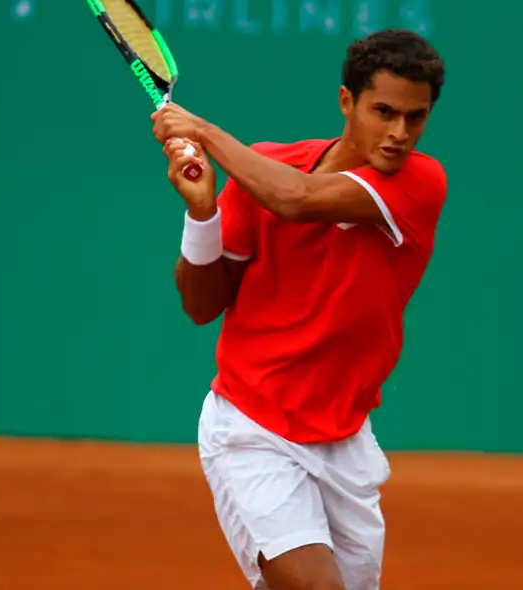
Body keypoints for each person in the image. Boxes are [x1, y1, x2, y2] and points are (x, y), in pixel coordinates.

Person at [151, 28, 447, 590]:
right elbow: (201, 303)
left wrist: (205, 134)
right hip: (251, 428)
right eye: (383, 111)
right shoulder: (263, 168)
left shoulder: (420, 183)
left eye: (416, 117)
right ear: (346, 102)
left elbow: (297, 199)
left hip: (344, 439)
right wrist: (203, 213)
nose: (398, 133)